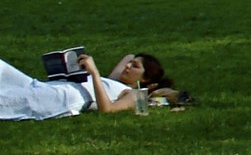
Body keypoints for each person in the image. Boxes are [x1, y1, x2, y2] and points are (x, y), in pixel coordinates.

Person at [0, 52, 162, 120]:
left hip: (64, 98)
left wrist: (94, 74)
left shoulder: (134, 94)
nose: (127, 66)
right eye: (129, 64)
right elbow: (129, 55)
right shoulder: (116, 80)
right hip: (48, 85)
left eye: (134, 67)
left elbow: (107, 109)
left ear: (145, 78)